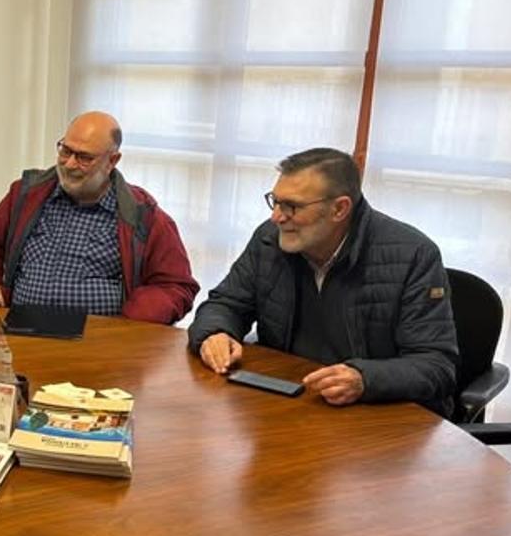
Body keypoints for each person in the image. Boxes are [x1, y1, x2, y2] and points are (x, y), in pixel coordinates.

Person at [187, 147, 458, 415]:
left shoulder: (412, 255)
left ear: (339, 209)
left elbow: (435, 365)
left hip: (376, 417)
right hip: (288, 401)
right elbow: (226, 303)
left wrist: (365, 380)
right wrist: (215, 333)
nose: (277, 217)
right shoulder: (270, 239)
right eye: (276, 201)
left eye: (291, 206)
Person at [0, 111, 198, 323]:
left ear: (112, 161)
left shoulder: (142, 214)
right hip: (22, 331)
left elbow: (177, 286)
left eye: (84, 158)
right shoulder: (27, 193)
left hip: (99, 345)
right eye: (65, 151)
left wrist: (129, 324)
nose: (69, 164)